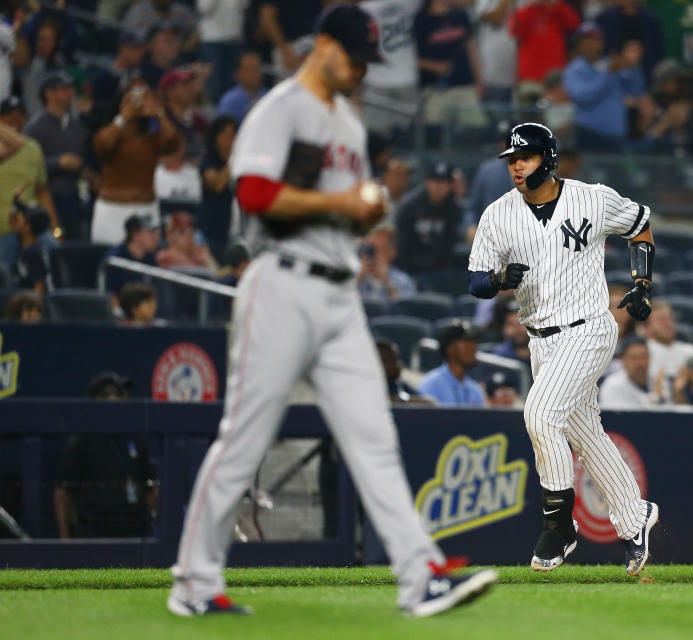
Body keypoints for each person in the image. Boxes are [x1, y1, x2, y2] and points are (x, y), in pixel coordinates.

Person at [166, 5, 495, 618]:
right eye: (353, 58)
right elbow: (254, 195)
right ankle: (193, 581)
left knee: (375, 435)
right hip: (281, 283)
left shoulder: (346, 120)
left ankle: (419, 575)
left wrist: (365, 210)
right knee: (243, 440)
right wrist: (341, 200)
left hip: (340, 293)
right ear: (321, 46)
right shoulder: (280, 109)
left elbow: (345, 205)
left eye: (368, 61)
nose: (361, 72)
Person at [468, 122, 660, 577]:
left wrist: (642, 283)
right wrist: (496, 282)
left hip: (589, 329)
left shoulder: (591, 197)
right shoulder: (498, 214)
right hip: (541, 341)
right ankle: (636, 519)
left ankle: (558, 525)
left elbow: (640, 224)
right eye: (512, 159)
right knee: (586, 435)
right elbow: (476, 280)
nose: (516, 165)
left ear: (547, 159)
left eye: (526, 157)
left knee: (539, 416)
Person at [54, 372, 158, 539]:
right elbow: (63, 493)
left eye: (122, 394)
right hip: (94, 532)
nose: (121, 399)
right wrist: (65, 540)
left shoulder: (135, 438)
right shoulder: (81, 442)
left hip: (133, 531)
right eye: (115, 393)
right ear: (98, 399)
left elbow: (151, 489)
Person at [91, 82, 181, 245]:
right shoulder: (110, 132)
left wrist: (158, 113)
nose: (138, 102)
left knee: (146, 262)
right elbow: (102, 145)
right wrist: (123, 116)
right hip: (113, 211)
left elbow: (173, 143)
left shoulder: (152, 138)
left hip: (145, 210)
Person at [23, 71, 89, 241]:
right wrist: (58, 162)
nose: (70, 93)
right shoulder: (35, 126)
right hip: (47, 197)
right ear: (49, 94)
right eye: (64, 89)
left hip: (73, 195)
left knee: (75, 244)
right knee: (52, 241)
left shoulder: (77, 125)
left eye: (70, 88)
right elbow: (26, 166)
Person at [562, 22, 644, 150]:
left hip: (617, 136)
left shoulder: (610, 64)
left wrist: (632, 66)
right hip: (589, 134)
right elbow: (584, 97)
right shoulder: (574, 70)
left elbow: (635, 91)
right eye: (586, 40)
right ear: (579, 45)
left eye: (596, 40)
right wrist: (608, 73)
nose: (591, 44)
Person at [0, 104, 59, 272]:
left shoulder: (32, 147)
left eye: (20, 114)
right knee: (5, 278)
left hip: (31, 226)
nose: (15, 119)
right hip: (2, 228)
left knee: (53, 258)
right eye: (9, 115)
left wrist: (55, 228)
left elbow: (42, 190)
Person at [413, 0, 484, 130]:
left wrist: (479, 81)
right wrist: (434, 66)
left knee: (475, 131)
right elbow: (411, 58)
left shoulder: (461, 15)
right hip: (434, 89)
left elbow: (471, 49)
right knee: (435, 132)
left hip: (464, 85)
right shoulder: (420, 20)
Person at [357, 0, 419, 135]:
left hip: (403, 79)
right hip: (378, 81)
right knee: (379, 137)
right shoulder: (362, 9)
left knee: (406, 138)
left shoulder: (408, 3)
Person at [394, 161, 461, 274]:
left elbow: (449, 244)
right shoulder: (410, 207)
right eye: (435, 182)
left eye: (443, 182)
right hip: (410, 268)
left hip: (440, 270)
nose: (439, 187)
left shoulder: (452, 208)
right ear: (427, 182)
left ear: (450, 186)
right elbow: (402, 246)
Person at [510, 0, 580, 105]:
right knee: (529, 117)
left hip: (555, 79)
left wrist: (557, 4)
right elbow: (515, 30)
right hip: (530, 78)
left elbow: (574, 24)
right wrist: (532, 6)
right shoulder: (525, 10)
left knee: (557, 119)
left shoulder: (555, 9)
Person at [418, 322, 486, 407]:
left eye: (473, 342)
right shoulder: (431, 386)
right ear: (450, 349)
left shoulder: (475, 390)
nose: (473, 348)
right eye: (467, 343)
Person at [199, 115, 238, 256]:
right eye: (225, 135)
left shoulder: (245, 163)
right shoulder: (208, 162)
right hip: (214, 230)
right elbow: (217, 185)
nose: (231, 139)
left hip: (237, 228)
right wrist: (233, 158)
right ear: (215, 138)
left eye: (233, 134)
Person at [197, 0, 249, 103]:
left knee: (235, 83)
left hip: (235, 38)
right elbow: (204, 8)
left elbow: (244, 6)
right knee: (214, 85)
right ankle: (216, 116)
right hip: (212, 39)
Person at [104, 214, 160, 304]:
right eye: (151, 232)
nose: (156, 237)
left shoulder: (151, 258)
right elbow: (112, 297)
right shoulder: (115, 260)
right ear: (136, 234)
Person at [356, 224, 416, 304]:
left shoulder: (404, 281)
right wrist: (358, 279)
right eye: (370, 249)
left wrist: (387, 283)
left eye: (381, 249)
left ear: (392, 253)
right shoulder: (351, 278)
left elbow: (405, 310)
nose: (374, 255)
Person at [599, 336, 663, 409]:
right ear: (623, 360)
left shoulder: (659, 381)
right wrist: (656, 397)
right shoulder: (612, 386)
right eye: (634, 358)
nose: (640, 363)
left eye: (644, 357)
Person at [644, 302, 693, 384]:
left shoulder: (692, 352)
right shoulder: (642, 354)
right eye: (661, 320)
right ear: (646, 328)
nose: (668, 324)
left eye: (670, 318)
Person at [9, 201, 50, 295]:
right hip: (23, 296)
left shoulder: (34, 253)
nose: (17, 220)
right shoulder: (24, 243)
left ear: (27, 227)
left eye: (21, 218)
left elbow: (39, 286)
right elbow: (12, 222)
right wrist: (15, 201)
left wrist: (33, 309)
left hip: (31, 303)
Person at [216, 50, 265, 124]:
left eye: (257, 68)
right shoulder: (230, 101)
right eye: (250, 69)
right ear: (238, 74)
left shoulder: (269, 95)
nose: (255, 73)